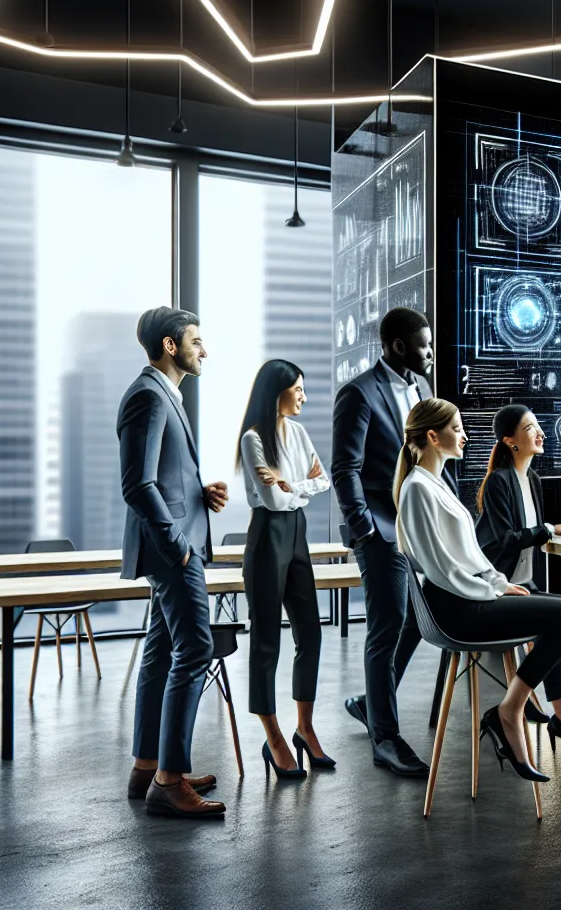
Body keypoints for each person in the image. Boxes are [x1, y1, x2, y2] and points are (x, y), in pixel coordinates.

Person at [395, 399, 561, 780]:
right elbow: (442, 569)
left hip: (472, 598)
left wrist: (500, 584)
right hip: (458, 610)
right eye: (457, 429)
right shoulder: (417, 488)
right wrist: (492, 592)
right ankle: (511, 709)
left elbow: (471, 556)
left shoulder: (436, 484)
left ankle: (516, 709)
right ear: (433, 437)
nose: (465, 436)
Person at [331, 307, 455, 778]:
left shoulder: (422, 388)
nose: (431, 352)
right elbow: (345, 468)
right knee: (386, 629)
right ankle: (385, 740)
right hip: (380, 531)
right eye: (425, 344)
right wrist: (363, 527)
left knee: (416, 621)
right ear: (399, 346)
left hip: (418, 526)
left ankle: (370, 703)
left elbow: (428, 457)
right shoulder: (358, 393)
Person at [119, 306, 230, 818]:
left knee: (161, 652)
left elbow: (162, 478)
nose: (204, 350)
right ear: (170, 345)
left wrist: (198, 493)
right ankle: (169, 780)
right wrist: (177, 543)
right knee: (195, 648)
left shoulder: (164, 393)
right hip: (172, 549)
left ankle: (148, 766)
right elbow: (137, 485)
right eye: (196, 341)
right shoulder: (147, 395)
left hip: (176, 541)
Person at [472, 403, 561, 756]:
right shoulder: (498, 481)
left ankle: (559, 715)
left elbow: (534, 538)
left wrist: (560, 533)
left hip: (524, 584)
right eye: (530, 428)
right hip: (495, 589)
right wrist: (551, 529)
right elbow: (508, 540)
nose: (541, 432)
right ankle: (549, 713)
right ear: (510, 440)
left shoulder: (531, 479)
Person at [235, 359, 334, 780]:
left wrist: (292, 485)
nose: (304, 398)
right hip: (267, 537)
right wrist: (298, 488)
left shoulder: (298, 433)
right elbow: (273, 501)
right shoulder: (253, 439)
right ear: (276, 392)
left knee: (310, 633)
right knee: (266, 642)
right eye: (298, 390)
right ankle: (273, 737)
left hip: (297, 534)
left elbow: (323, 481)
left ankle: (304, 729)